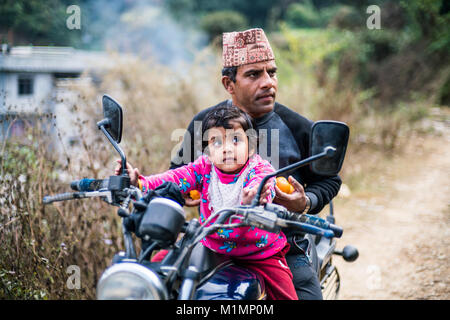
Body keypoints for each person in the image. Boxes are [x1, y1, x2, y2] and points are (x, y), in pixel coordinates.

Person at [170, 28, 342, 300]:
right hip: (217, 243)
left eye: (271, 73)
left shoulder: (297, 127)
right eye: (254, 74)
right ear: (229, 84)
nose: (268, 83)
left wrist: (304, 202)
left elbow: (330, 179)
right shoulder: (204, 125)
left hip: (286, 247)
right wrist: (183, 193)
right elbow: (176, 176)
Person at [116, 105, 298, 300]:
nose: (227, 148)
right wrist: (140, 182)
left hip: (259, 254)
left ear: (251, 145)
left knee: (287, 296)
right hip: (210, 246)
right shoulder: (204, 167)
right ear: (209, 150)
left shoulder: (259, 169)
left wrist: (255, 197)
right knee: (157, 270)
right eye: (216, 142)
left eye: (235, 140)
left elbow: (263, 186)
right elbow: (174, 178)